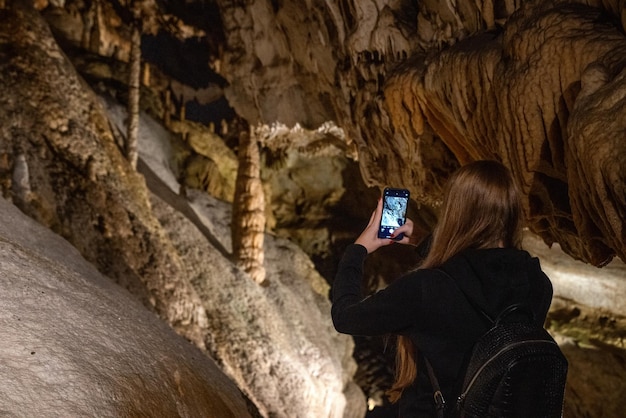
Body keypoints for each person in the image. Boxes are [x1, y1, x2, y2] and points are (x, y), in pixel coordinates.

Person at [331, 160, 554, 417]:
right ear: (512, 213)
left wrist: (357, 251)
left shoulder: (426, 289)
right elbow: (480, 278)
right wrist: (425, 241)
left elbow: (346, 317)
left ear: (454, 213)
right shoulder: (538, 286)